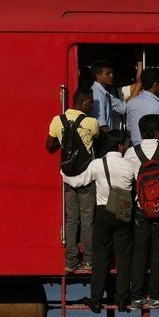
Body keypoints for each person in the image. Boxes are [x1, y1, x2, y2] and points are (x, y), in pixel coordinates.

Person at [62, 130, 134, 313]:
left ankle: (95, 299)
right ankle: (122, 299)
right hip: (124, 211)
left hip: (103, 212)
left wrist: (63, 173)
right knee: (123, 258)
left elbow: (79, 182)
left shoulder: (97, 164)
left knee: (101, 257)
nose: (127, 146)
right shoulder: (129, 165)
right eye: (126, 143)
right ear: (120, 146)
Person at [46, 89, 100, 272]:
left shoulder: (57, 120)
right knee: (87, 220)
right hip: (87, 178)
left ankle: (70, 260)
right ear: (83, 102)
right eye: (91, 102)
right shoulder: (91, 122)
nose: (92, 106)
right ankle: (90, 260)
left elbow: (49, 146)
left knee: (71, 221)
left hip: (68, 178)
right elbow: (97, 140)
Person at [124, 114, 159, 309]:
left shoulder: (130, 153)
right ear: (157, 131)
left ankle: (136, 296)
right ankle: (155, 295)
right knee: (158, 253)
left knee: (139, 253)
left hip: (140, 209)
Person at [126, 69, 159, 146]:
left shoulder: (131, 103)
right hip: (152, 150)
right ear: (155, 84)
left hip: (134, 149)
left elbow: (129, 131)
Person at [90, 60, 127, 133]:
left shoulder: (104, 93)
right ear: (98, 76)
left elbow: (123, 107)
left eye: (112, 73)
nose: (112, 75)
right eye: (107, 73)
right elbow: (101, 125)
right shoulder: (98, 94)